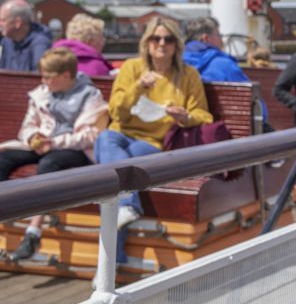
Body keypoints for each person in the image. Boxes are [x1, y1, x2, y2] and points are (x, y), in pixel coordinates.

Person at [94, 17, 212, 228]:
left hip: (154, 141)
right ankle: (128, 206)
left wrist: (186, 117)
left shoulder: (188, 75)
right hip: (120, 133)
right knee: (105, 139)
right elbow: (117, 112)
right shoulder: (132, 68)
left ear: (177, 45)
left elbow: (204, 115)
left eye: (168, 40)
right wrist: (138, 87)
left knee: (115, 169)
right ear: (146, 43)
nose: (161, 44)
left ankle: (119, 240)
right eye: (155, 38)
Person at [0, 48, 108, 260]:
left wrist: (54, 142)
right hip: (43, 144)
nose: (43, 80)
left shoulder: (90, 96)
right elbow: (27, 126)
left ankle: (34, 231)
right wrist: (33, 137)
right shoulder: (42, 93)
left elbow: (90, 135)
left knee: (49, 164)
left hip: (74, 150)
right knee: (3, 160)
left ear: (66, 75)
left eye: (48, 77)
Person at [182, 17, 248, 83]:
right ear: (206, 38)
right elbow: (248, 91)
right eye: (219, 35)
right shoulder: (225, 64)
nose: (222, 40)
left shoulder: (176, 64)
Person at [0, 0, 52, 71]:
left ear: (17, 22)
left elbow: (40, 76)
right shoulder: (7, 41)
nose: (0, 24)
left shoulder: (40, 44)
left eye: (3, 20)